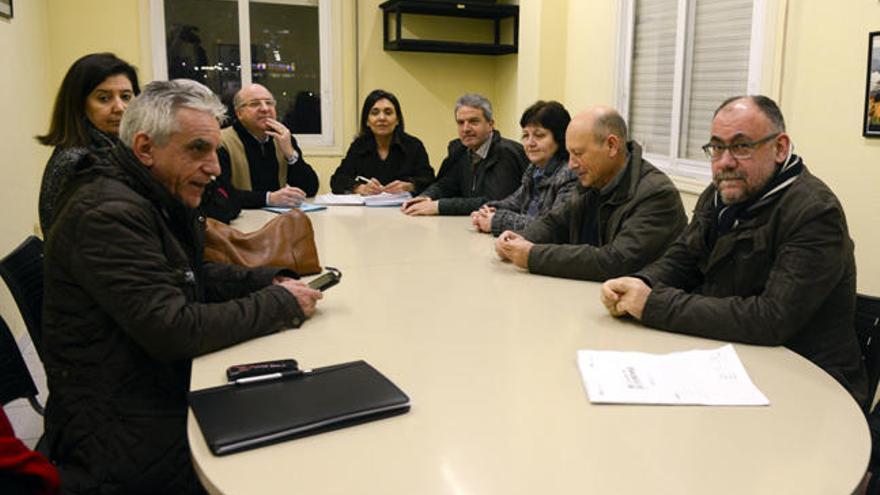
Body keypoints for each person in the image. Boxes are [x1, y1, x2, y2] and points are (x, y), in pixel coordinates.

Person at [41, 79, 323, 494]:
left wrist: (269, 279)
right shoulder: (107, 213)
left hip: (140, 388)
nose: (213, 167)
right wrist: (279, 303)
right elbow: (174, 329)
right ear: (144, 148)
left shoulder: (147, 193)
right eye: (197, 149)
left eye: (213, 149)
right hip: (119, 429)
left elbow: (190, 273)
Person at [600, 95, 867, 405]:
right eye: (717, 147)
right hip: (730, 360)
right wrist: (641, 282)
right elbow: (681, 259)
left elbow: (772, 318)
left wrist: (653, 304)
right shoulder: (719, 194)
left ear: (780, 148)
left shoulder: (815, 212)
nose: (725, 162)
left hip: (810, 382)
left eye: (741, 147)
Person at [495, 106, 686, 281]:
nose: (571, 164)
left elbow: (615, 261)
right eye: (569, 154)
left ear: (611, 145)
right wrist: (519, 239)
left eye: (578, 153)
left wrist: (532, 255)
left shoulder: (656, 194)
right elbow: (557, 222)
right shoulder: (594, 180)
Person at [36, 52, 139, 235]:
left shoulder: (117, 148)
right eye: (104, 98)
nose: (119, 108)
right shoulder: (77, 162)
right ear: (79, 104)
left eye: (126, 97)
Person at [401, 93, 528, 216]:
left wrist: (438, 206)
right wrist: (426, 197)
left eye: (473, 121)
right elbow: (446, 184)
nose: (466, 129)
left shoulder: (506, 153)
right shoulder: (461, 150)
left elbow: (494, 202)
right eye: (461, 122)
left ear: (490, 125)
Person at [471, 100, 577, 236]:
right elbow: (514, 202)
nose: (530, 143)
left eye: (539, 135)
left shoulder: (570, 174)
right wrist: (488, 210)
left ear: (560, 138)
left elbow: (551, 227)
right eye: (526, 135)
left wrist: (495, 221)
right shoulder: (534, 169)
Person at [217, 83, 319, 208]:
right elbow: (221, 194)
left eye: (269, 103)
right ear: (239, 113)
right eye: (255, 104)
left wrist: (291, 155)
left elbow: (310, 189)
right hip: (240, 220)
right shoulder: (221, 141)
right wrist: (268, 199)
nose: (265, 109)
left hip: (278, 219)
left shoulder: (282, 139)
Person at [330, 89, 435, 195]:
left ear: (397, 119)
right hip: (367, 209)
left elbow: (429, 181)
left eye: (388, 112)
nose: (382, 118)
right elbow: (337, 180)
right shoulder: (359, 146)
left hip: (403, 208)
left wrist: (409, 186)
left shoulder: (414, 145)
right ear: (367, 121)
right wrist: (358, 188)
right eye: (375, 113)